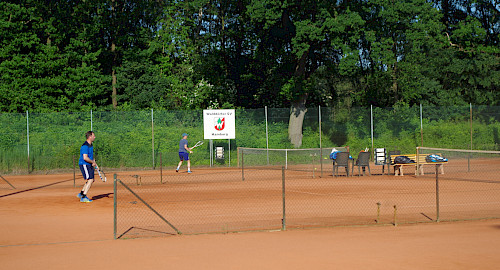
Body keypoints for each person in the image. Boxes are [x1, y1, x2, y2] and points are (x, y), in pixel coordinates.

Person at [77, 131, 97, 203]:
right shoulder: (85, 146)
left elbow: (91, 156)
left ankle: (81, 194)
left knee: (91, 180)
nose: (94, 137)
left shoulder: (91, 145)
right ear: (90, 137)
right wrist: (92, 162)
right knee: (90, 180)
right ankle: (84, 197)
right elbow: (85, 158)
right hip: (84, 164)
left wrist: (94, 163)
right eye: (93, 136)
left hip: (89, 164)